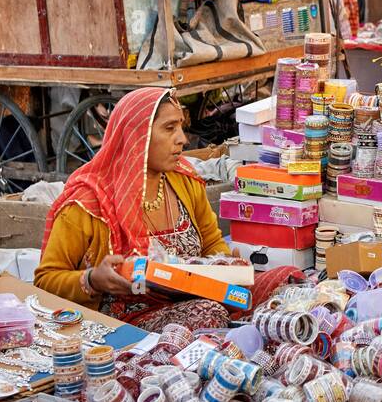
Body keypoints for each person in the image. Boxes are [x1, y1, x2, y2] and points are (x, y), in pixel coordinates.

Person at [35, 88, 239, 331]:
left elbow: (211, 244)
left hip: (194, 298)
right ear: (136, 136)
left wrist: (226, 267)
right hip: (126, 321)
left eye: (181, 127)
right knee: (209, 313)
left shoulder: (185, 181)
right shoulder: (88, 203)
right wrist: (92, 280)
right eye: (169, 128)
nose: (183, 139)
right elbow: (45, 280)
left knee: (282, 284)